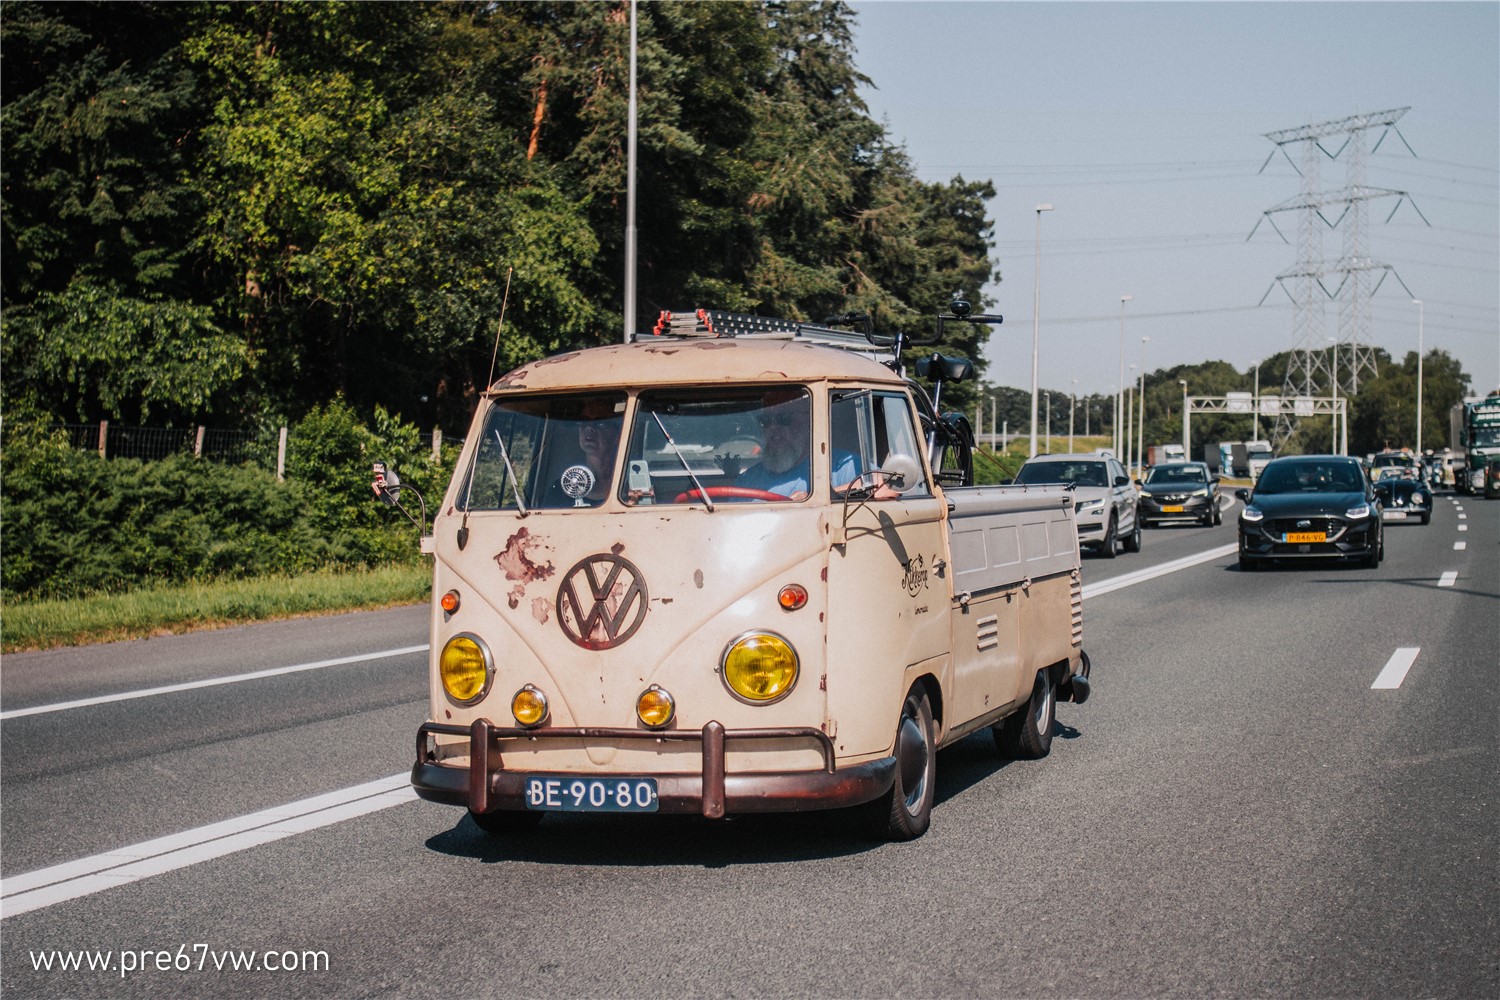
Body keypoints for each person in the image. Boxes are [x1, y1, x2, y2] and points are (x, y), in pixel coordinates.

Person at [735, 393, 859, 501]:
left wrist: (819, 496)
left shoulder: (840, 466)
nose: (773, 427)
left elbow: (877, 484)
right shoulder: (747, 481)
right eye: (765, 420)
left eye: (783, 418)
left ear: (809, 421)